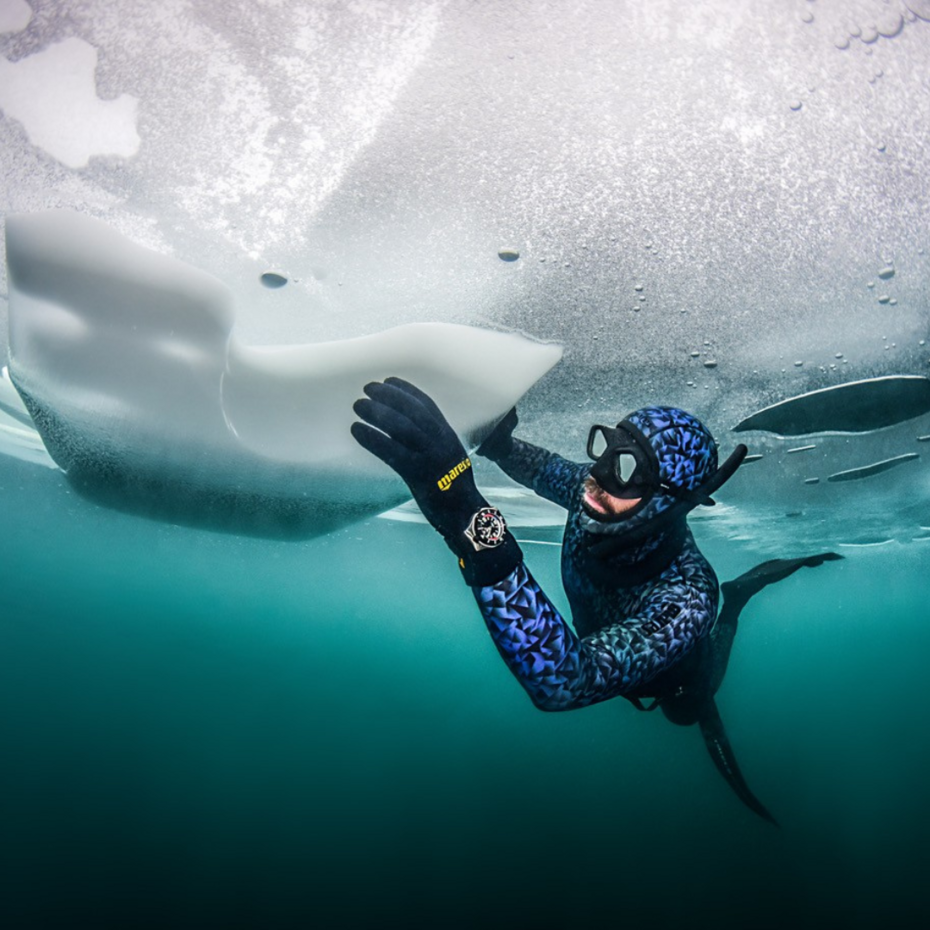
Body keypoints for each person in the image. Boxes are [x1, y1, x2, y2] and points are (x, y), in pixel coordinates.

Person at [352, 377, 839, 824]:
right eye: (607, 447)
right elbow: (544, 470)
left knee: (690, 710)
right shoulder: (599, 491)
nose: (597, 476)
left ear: (672, 500)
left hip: (681, 681)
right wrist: (496, 440)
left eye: (626, 467)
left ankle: (737, 598)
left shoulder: (686, 598)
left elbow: (564, 681)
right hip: (613, 635)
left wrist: (468, 518)